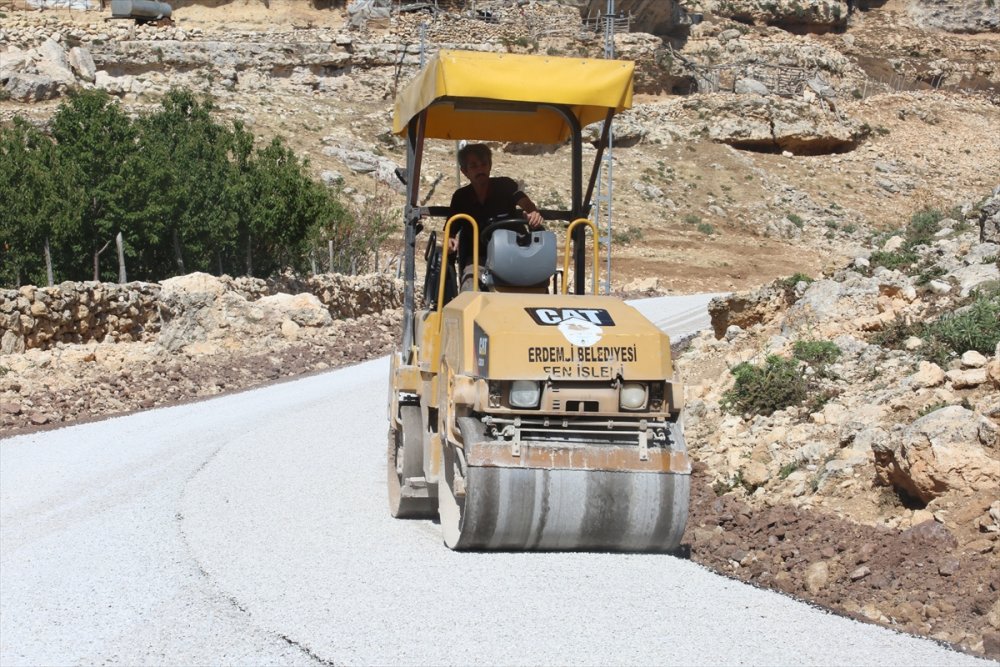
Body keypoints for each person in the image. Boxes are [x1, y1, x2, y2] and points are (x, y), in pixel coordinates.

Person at [448, 143, 544, 289]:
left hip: (513, 254)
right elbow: (450, 230)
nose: (480, 169)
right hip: (478, 258)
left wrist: (532, 213)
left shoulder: (505, 185)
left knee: (537, 282)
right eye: (474, 166)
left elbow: (524, 202)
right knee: (470, 285)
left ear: (490, 166)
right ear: (464, 171)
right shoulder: (460, 197)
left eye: (483, 164)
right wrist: (450, 240)